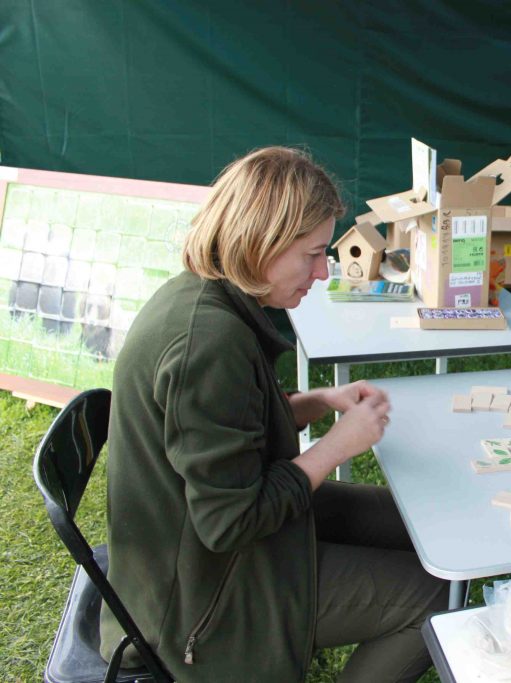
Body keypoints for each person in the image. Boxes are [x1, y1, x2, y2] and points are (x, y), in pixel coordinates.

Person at [100, 147, 447, 682]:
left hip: (213, 548)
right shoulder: (207, 343)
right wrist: (337, 445)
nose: (323, 271)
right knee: (432, 597)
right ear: (259, 241)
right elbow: (231, 522)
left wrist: (317, 402)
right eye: (312, 254)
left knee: (419, 520)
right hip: (201, 597)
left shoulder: (202, 297)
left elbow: (226, 426)